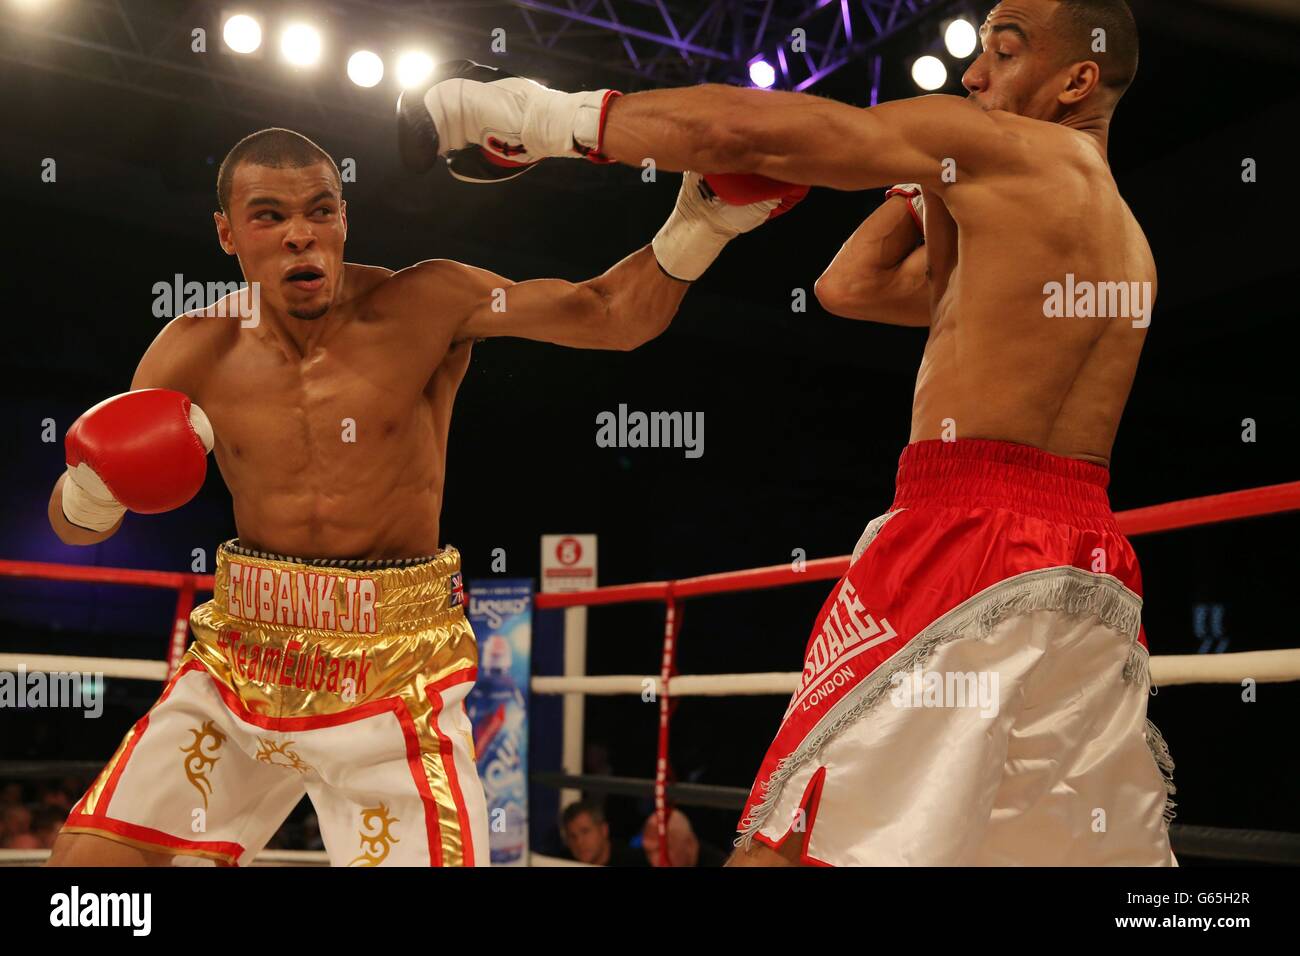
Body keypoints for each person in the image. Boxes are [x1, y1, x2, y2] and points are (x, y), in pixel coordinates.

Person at [410, 0, 1175, 866]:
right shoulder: (1120, 240)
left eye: (1002, 53)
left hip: (964, 540)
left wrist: (542, 116)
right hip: (1090, 573)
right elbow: (850, 284)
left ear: (1078, 80)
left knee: (792, 837)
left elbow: (751, 136)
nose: (972, 77)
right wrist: (926, 174)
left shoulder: (1010, 151)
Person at [45, 123, 794, 867]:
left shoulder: (425, 302)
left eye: (322, 209)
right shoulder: (193, 344)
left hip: (394, 668)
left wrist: (699, 223)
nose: (302, 235)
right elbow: (75, 529)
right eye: (269, 215)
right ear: (227, 233)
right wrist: (93, 490)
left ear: (345, 217)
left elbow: (608, 315)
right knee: (87, 883)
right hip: (241, 654)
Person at [560, 800, 644, 866]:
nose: (579, 842)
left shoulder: (632, 861)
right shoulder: (561, 862)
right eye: (572, 836)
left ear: (604, 830)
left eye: (585, 832)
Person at [640, 809, 727, 868]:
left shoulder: (724, 864)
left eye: (664, 850)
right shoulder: (638, 861)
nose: (655, 862)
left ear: (689, 844)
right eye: (649, 852)